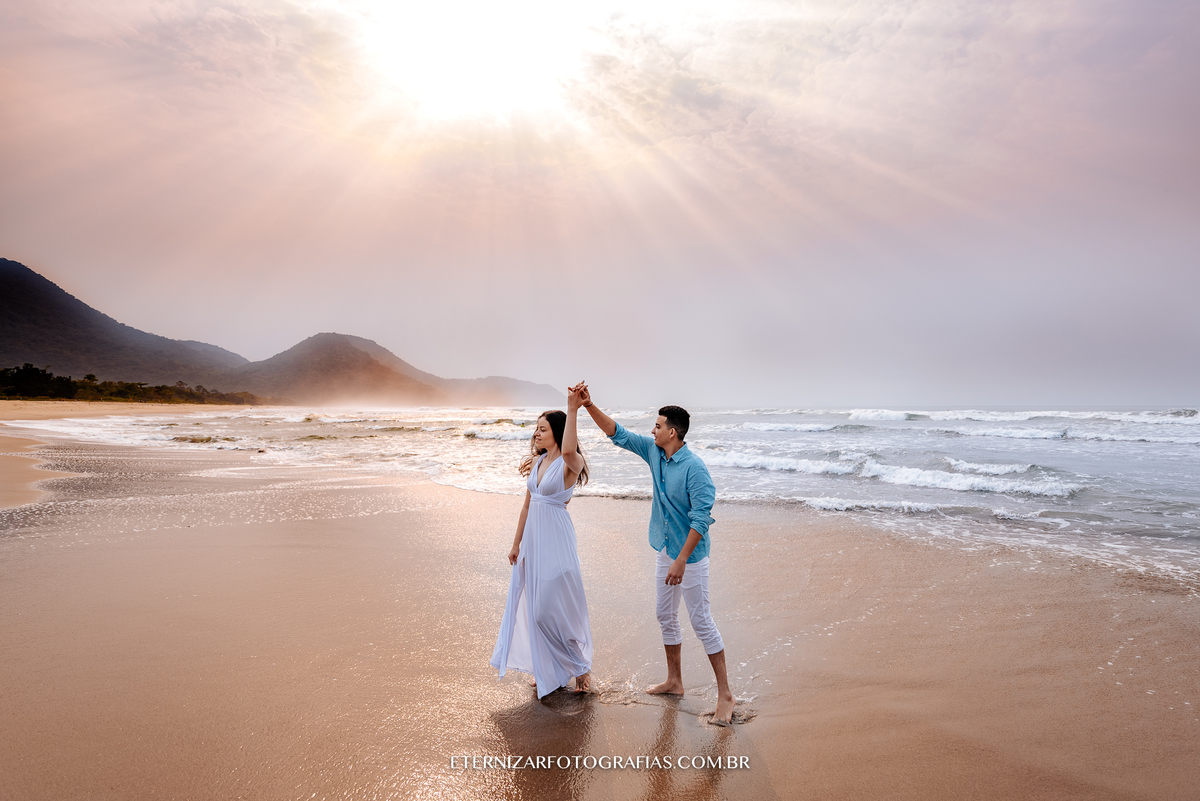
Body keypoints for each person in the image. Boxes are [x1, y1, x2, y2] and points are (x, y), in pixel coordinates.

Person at [574, 383, 736, 725]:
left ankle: (726, 695)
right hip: (665, 549)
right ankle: (674, 681)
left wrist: (681, 560)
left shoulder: (695, 469)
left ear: (672, 432)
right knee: (665, 615)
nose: (653, 430)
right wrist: (588, 405)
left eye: (658, 426)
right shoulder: (653, 452)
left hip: (690, 558)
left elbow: (701, 519)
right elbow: (618, 434)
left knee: (701, 621)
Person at [490, 393, 593, 698]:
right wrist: (516, 544)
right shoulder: (538, 462)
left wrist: (573, 409)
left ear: (557, 432)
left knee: (547, 611)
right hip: (533, 545)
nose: (536, 433)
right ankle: (548, 668)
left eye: (543, 429)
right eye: (536, 428)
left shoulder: (571, 463)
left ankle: (579, 666)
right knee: (535, 607)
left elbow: (570, 447)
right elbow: (527, 506)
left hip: (557, 543)